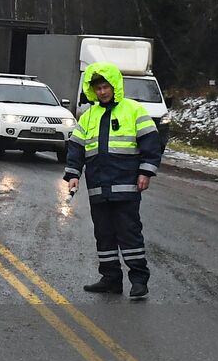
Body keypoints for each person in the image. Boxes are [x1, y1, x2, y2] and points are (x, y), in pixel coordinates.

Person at [63, 62, 163, 299]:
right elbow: (76, 148)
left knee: (129, 234)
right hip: (98, 188)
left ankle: (139, 281)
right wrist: (73, 175)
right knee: (104, 234)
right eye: (97, 88)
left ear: (114, 86)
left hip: (126, 187)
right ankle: (111, 279)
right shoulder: (88, 117)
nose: (102, 92)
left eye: (106, 87)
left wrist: (145, 172)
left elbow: (152, 145)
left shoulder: (134, 110)